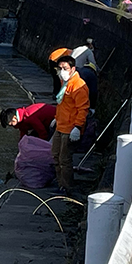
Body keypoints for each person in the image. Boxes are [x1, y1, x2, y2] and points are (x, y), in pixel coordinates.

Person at [51, 55, 89, 194]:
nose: (62, 71)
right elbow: (63, 105)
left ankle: (67, 187)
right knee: (55, 155)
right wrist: (56, 118)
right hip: (61, 125)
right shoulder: (65, 83)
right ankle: (61, 184)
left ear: (73, 69)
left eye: (65, 68)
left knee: (64, 159)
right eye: (60, 68)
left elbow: (82, 109)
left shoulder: (78, 86)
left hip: (70, 128)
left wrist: (78, 127)